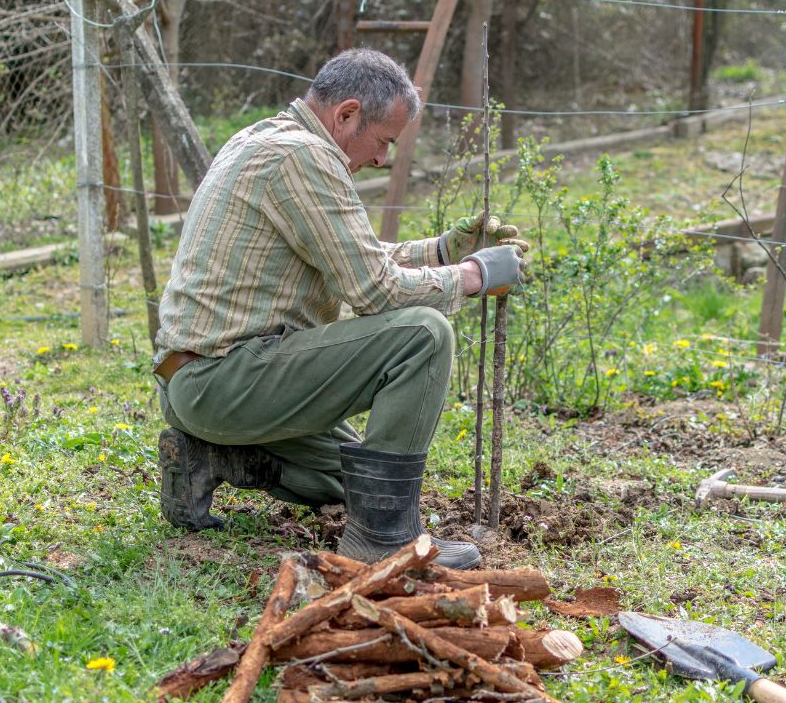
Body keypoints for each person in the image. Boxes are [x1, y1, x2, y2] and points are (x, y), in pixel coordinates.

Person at [153, 48, 527, 570]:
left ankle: (209, 457)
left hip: (201, 385)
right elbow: (376, 291)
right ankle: (381, 539)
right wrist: (472, 277)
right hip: (227, 379)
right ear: (347, 114)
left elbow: (352, 259)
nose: (381, 159)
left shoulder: (266, 139)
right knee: (424, 333)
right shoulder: (304, 158)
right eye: (383, 141)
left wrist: (444, 251)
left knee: (359, 477)